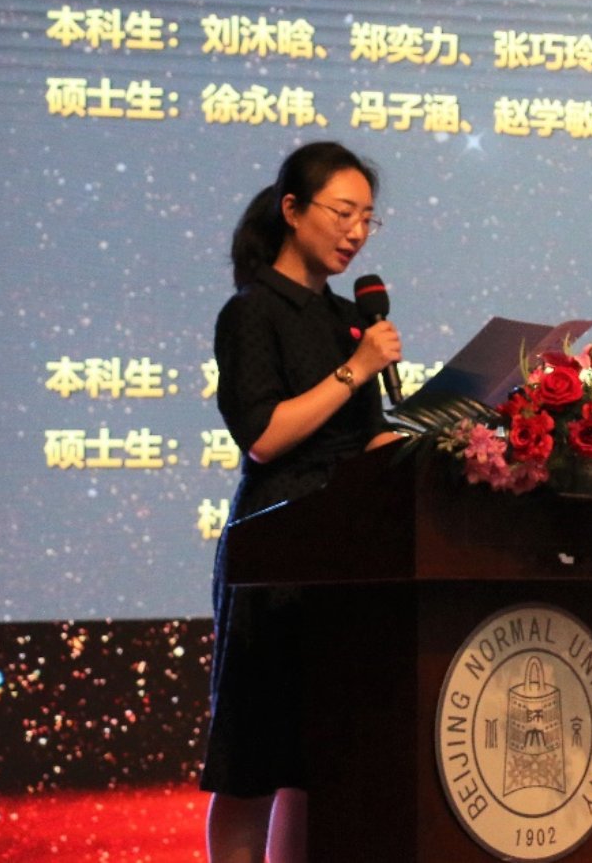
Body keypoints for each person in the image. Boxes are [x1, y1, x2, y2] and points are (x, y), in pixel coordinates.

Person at [202, 141, 403, 863]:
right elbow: (263, 437)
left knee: (317, 760)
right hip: (278, 545)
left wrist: (450, 439)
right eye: (343, 213)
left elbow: (369, 440)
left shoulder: (351, 318)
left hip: (347, 549)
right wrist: (356, 369)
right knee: (256, 761)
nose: (356, 232)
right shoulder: (251, 311)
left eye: (368, 219)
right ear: (292, 210)